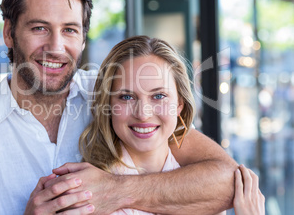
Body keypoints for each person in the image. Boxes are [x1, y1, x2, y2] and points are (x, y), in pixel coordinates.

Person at [0, 0, 239, 215]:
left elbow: (223, 178)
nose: (56, 46)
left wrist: (117, 191)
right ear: (9, 33)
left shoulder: (118, 98)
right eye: (39, 27)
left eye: (70, 30)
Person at [78, 35, 265, 215]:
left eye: (158, 96)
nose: (143, 114)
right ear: (108, 106)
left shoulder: (205, 191)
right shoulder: (87, 194)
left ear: (179, 105)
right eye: (127, 97)